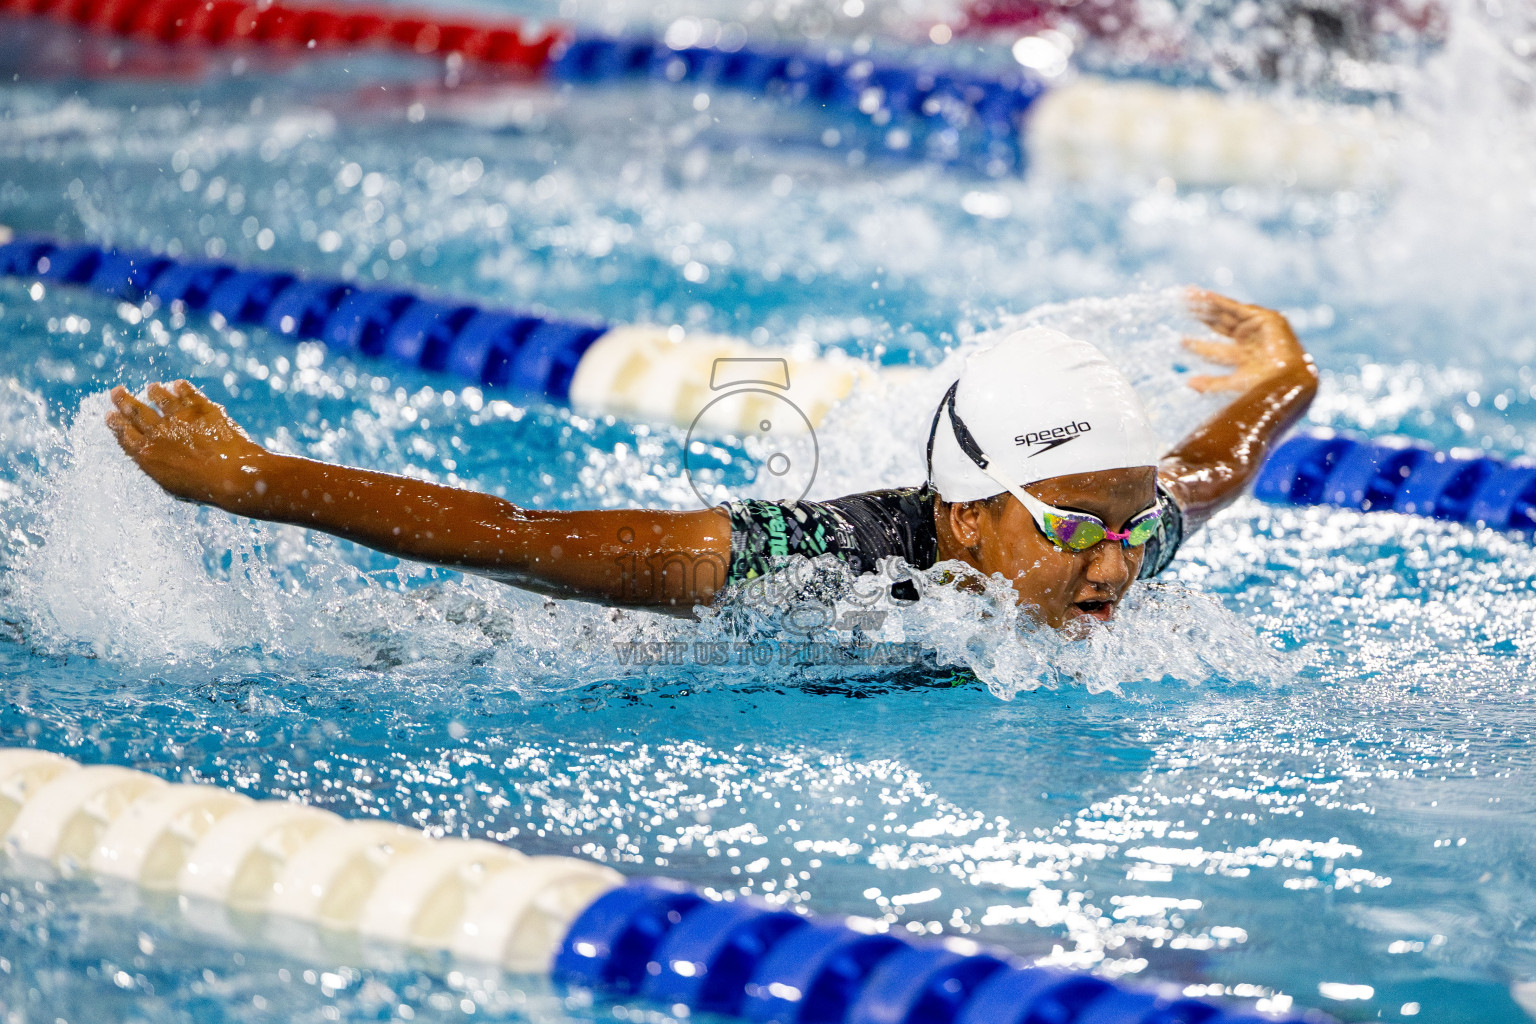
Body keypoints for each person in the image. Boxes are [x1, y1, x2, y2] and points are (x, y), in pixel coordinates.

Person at [105, 288, 1316, 629]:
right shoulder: (831, 560)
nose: (1115, 561)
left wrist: (1288, 376)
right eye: (1072, 527)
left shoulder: (1129, 531)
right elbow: (523, 537)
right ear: (965, 517)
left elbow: (1220, 461)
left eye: (1124, 523)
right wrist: (253, 482)